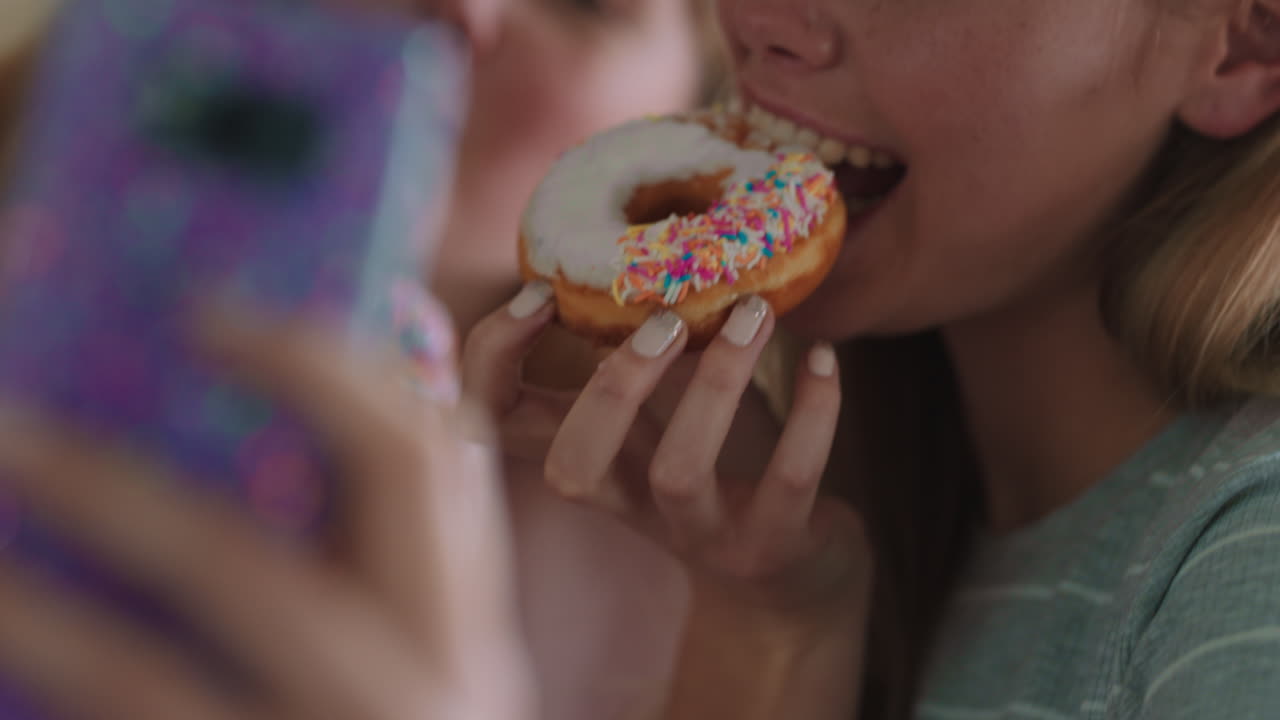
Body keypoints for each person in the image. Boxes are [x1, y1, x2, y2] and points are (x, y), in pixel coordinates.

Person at [7, 0, 1280, 719]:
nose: (762, 17)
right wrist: (771, 632)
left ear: (1241, 45)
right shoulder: (873, 532)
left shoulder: (1246, 581)